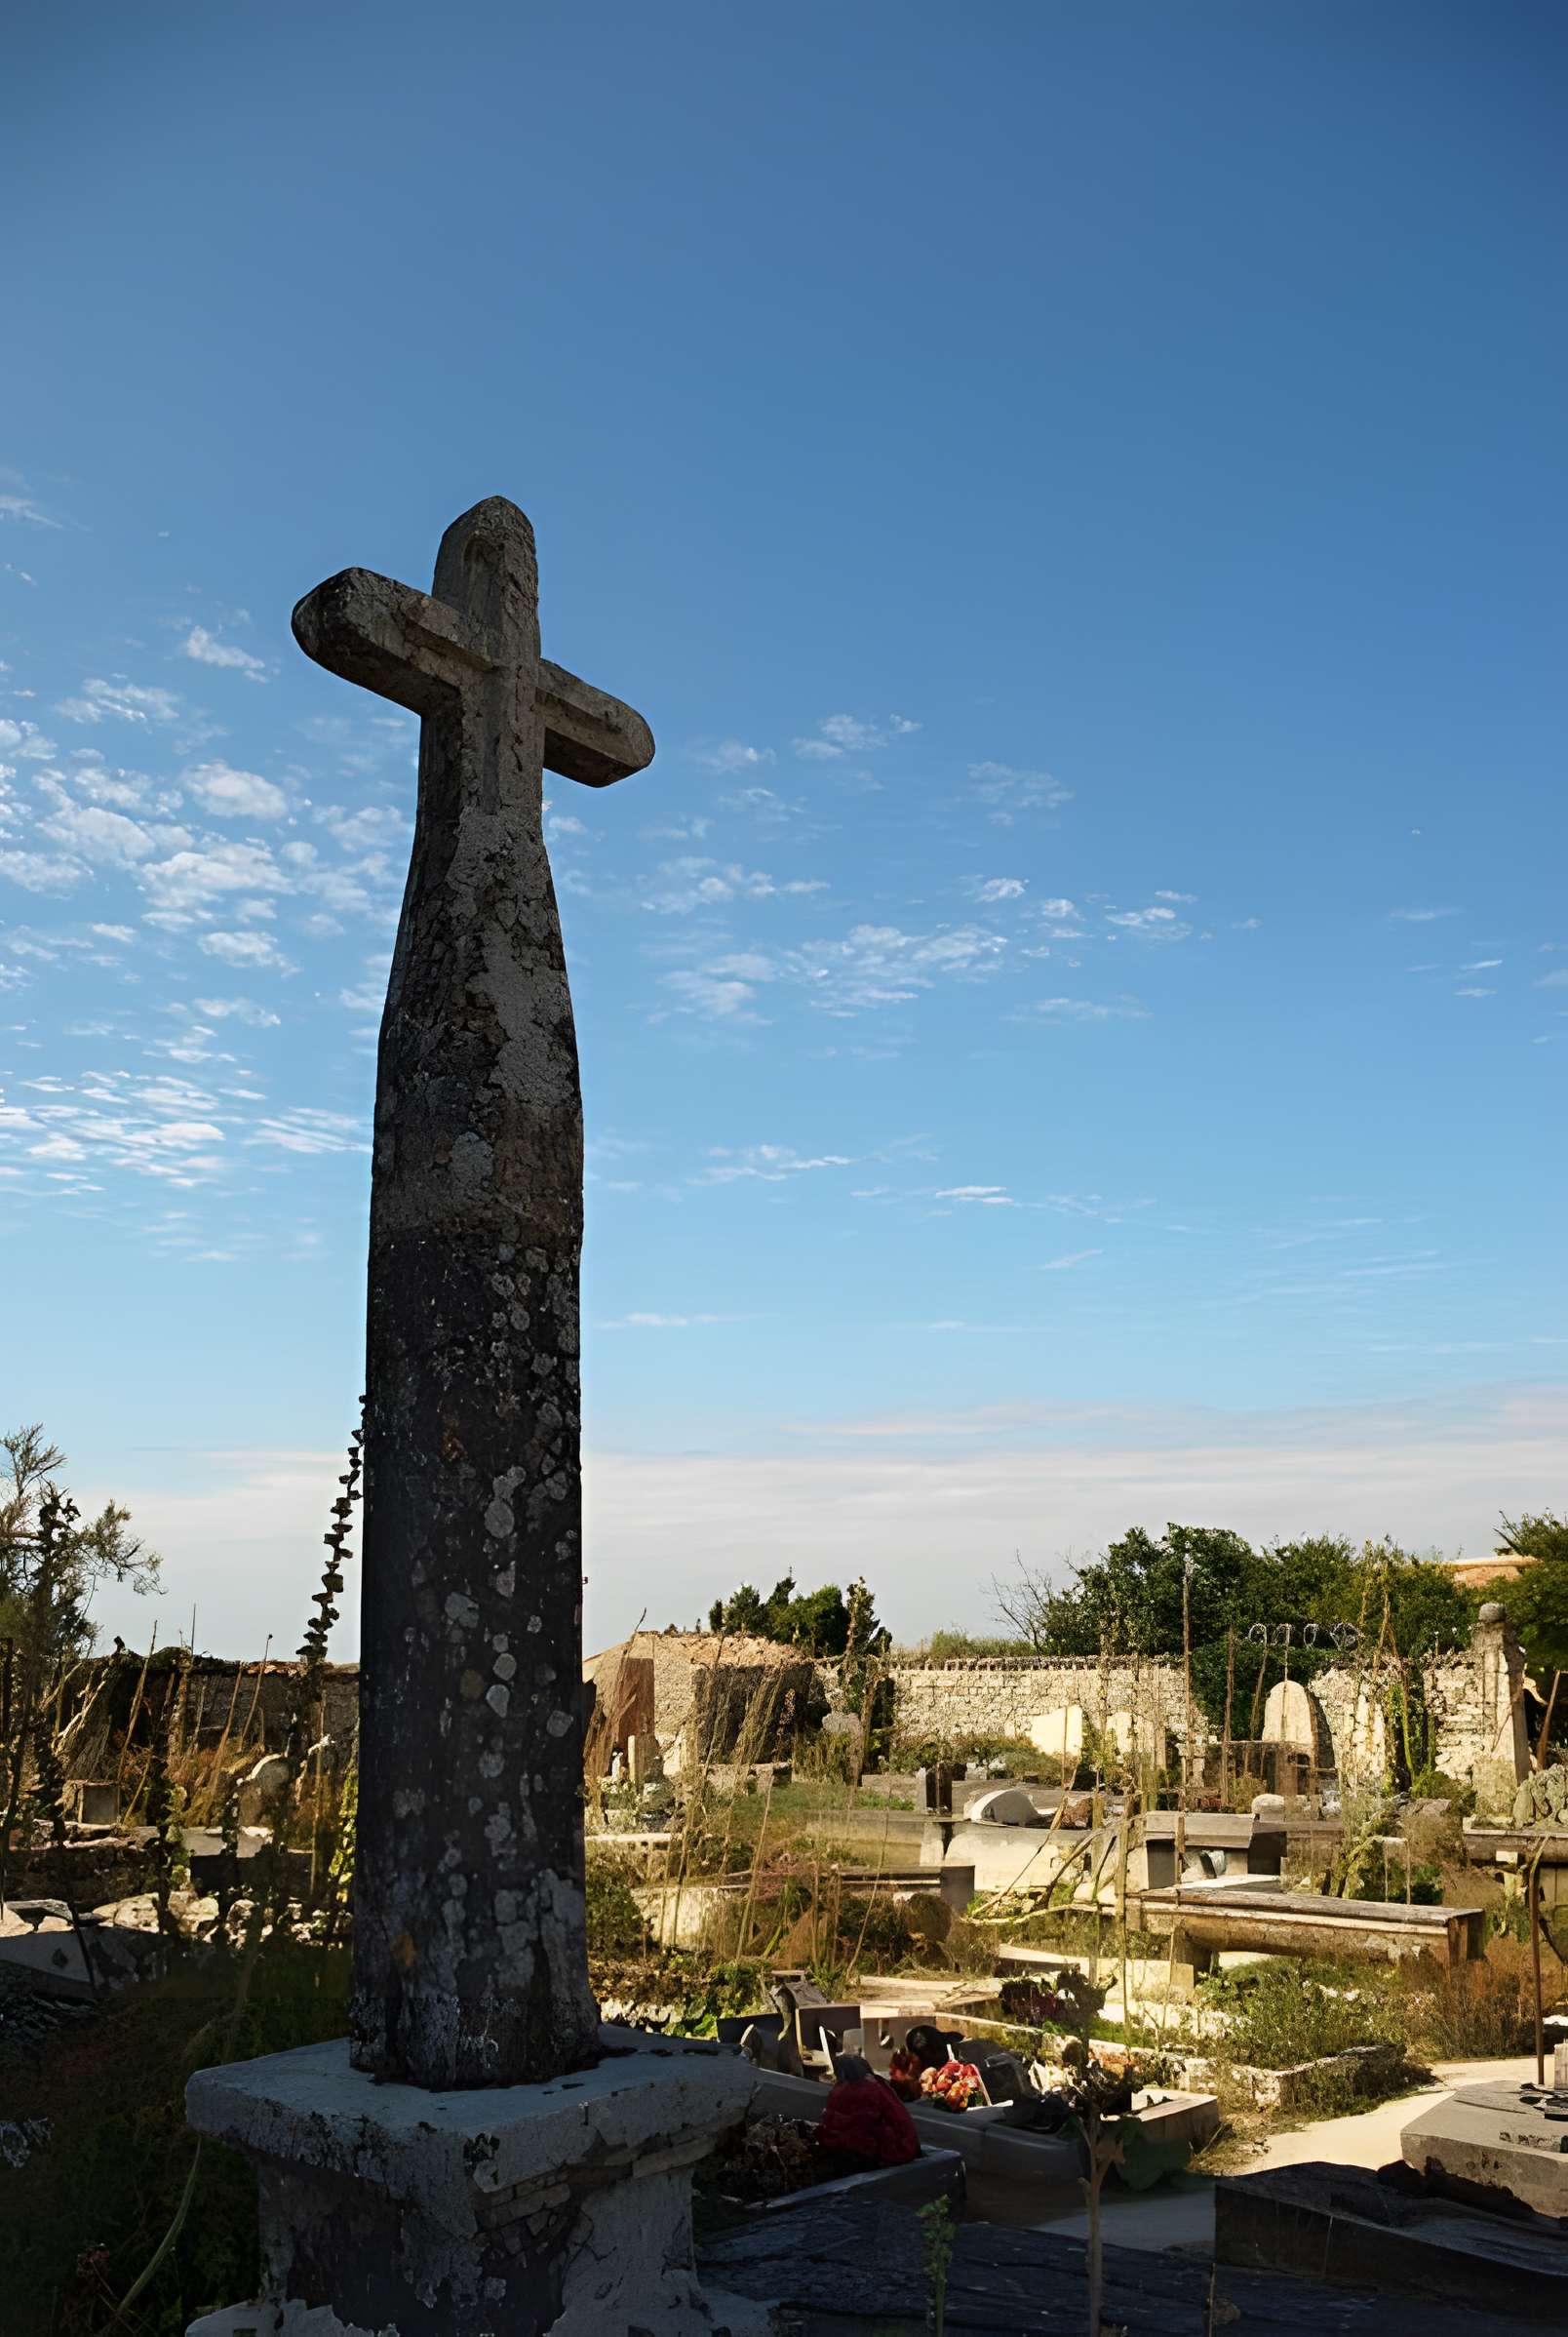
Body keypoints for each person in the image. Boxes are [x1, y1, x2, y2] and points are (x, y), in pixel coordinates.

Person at [813, 2052, 921, 2169]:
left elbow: (862, 2124)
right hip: (904, 2143)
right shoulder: (875, 2083)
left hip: (899, 2147)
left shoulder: (863, 2089)